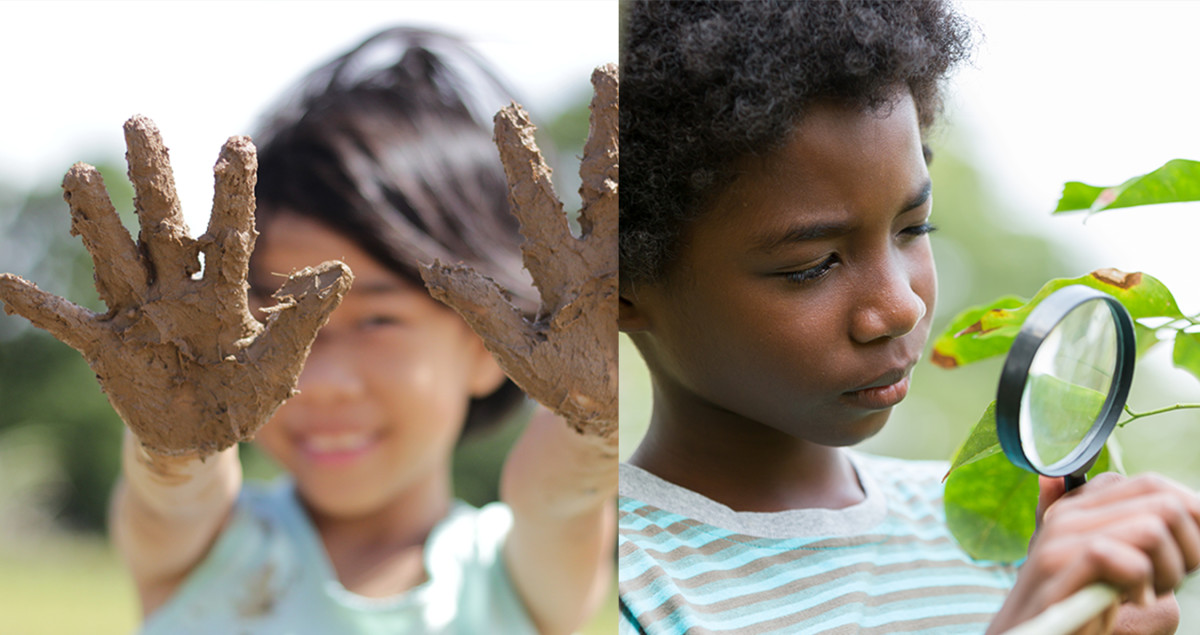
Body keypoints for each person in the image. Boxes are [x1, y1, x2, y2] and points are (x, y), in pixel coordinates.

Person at [0, 28, 614, 634]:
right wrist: (176, 442)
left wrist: (591, 417)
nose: (320, 382)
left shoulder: (515, 572)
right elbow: (171, 501)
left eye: (378, 319)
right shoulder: (209, 546)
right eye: (276, 315)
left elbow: (561, 498)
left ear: (490, 340)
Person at [617, 2, 1199, 634]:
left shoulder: (998, 529)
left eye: (914, 227)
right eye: (811, 265)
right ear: (619, 287)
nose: (902, 306)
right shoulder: (601, 580)